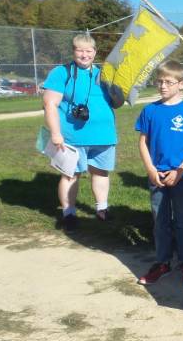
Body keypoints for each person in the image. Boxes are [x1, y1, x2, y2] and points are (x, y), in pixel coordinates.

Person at [136, 60, 183, 285]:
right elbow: (143, 142)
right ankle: (163, 262)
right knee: (161, 220)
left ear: (182, 84)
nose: (163, 86)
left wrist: (180, 169)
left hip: (182, 177)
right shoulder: (150, 111)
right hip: (157, 176)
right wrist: (150, 169)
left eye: (169, 82)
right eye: (160, 81)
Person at [42, 33, 118, 231]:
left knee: (101, 172)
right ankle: (69, 213)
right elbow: (50, 104)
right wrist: (55, 133)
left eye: (88, 51)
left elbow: (116, 102)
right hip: (72, 137)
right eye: (80, 50)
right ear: (73, 51)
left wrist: (121, 91)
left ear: (95, 52)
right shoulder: (62, 72)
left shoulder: (104, 73)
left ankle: (102, 209)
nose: (84, 55)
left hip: (104, 136)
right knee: (70, 174)